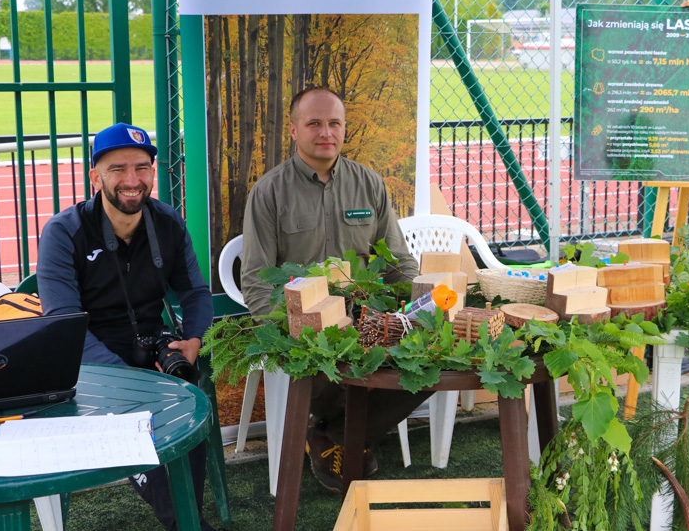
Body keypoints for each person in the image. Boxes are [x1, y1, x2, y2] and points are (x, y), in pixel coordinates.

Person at [36, 122, 220, 531]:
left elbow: (195, 293)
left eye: (142, 167)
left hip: (150, 347)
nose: (132, 180)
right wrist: (127, 382)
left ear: (154, 173)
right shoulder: (64, 233)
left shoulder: (167, 222)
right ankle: (187, 523)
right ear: (95, 176)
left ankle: (187, 520)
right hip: (88, 360)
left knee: (184, 403)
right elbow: (65, 326)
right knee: (139, 416)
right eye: (117, 168)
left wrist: (191, 340)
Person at [241, 86, 426, 493]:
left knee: (428, 364)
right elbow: (255, 278)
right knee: (327, 354)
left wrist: (421, 309)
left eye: (334, 123)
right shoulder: (269, 192)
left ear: (344, 128)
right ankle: (339, 431)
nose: (326, 132)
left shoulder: (370, 185)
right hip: (304, 323)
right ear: (293, 130)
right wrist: (285, 329)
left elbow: (398, 262)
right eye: (314, 123)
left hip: (365, 316)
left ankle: (336, 434)